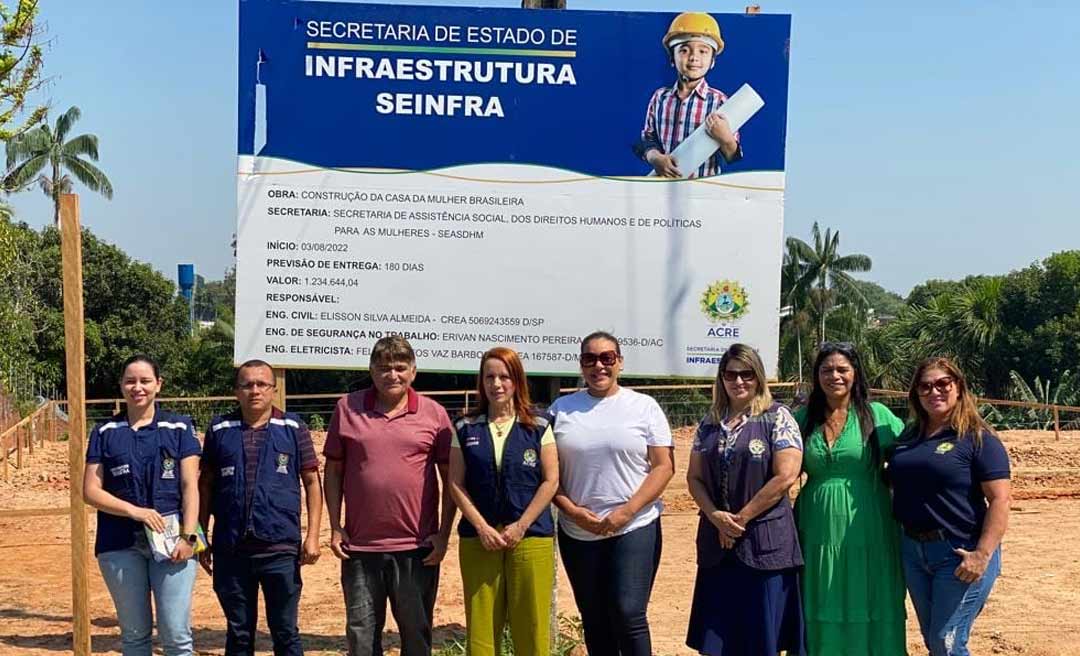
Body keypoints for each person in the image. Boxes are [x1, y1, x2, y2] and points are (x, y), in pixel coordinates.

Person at [323, 335, 457, 656]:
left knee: (416, 637)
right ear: (371, 370)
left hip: (417, 548)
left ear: (413, 371)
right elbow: (334, 471)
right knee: (361, 639)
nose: (392, 375)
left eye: (400, 367)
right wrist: (335, 526)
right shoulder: (347, 408)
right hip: (359, 547)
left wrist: (443, 534)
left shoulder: (435, 414)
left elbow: (450, 479)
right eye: (384, 368)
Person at [549, 331, 674, 656]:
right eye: (590, 359)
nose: (599, 366)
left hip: (634, 525)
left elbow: (663, 467)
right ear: (581, 365)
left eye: (607, 358)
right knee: (594, 618)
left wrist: (627, 511)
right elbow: (548, 474)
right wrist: (572, 511)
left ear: (620, 362)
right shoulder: (560, 410)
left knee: (628, 612)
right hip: (578, 530)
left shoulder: (644, 407)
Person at [684, 343, 805, 656]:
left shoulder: (778, 417)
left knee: (761, 639)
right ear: (722, 378)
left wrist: (739, 520)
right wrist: (716, 517)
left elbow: (785, 476)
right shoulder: (709, 423)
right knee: (719, 639)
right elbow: (694, 478)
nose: (738, 381)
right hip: (717, 547)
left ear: (758, 377)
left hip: (765, 546)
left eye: (747, 374)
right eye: (731, 374)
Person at [197, 359, 323, 655]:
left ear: (273, 389)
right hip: (231, 549)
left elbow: (312, 483)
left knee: (285, 631)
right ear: (236, 391)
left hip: (280, 548)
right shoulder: (219, 428)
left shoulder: (293, 427)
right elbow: (205, 486)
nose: (255, 390)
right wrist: (201, 538)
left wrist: (313, 536)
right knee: (239, 633)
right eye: (247, 384)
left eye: (262, 384)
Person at [887, 357, 1011, 656]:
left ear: (959, 388)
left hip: (959, 552)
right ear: (916, 394)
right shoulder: (908, 437)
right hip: (913, 551)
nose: (934, 392)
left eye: (943, 384)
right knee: (934, 641)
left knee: (947, 641)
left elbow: (1000, 499)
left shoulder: (978, 438)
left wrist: (982, 555)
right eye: (925, 386)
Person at [793, 342, 907, 655]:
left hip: (870, 522)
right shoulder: (802, 419)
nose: (835, 376)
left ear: (856, 373)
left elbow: (913, 456)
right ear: (817, 376)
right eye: (826, 370)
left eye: (842, 369)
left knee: (869, 590)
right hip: (816, 526)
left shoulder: (878, 416)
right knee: (820, 593)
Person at [82, 355, 201, 656]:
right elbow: (90, 491)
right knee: (134, 636)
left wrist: (189, 537)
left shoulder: (179, 427)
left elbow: (190, 486)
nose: (138, 387)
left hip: (173, 544)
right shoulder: (105, 432)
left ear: (158, 384)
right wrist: (135, 511)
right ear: (121, 385)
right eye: (130, 381)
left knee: (176, 635)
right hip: (119, 544)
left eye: (145, 381)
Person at [448, 347, 559, 656]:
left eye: (504, 376)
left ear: (517, 380)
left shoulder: (539, 425)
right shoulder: (465, 427)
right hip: (480, 541)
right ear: (481, 382)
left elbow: (551, 481)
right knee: (482, 633)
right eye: (489, 377)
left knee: (532, 629)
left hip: (530, 538)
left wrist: (521, 525)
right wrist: (482, 527)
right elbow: (455, 483)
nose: (496, 384)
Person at [636, 12, 743, 179]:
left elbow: (732, 156)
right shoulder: (660, 98)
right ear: (672, 58)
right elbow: (648, 139)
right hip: (662, 188)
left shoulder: (719, 101)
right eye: (684, 50)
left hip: (702, 190)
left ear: (713, 61)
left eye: (703, 51)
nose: (694, 57)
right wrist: (655, 158)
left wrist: (726, 138)